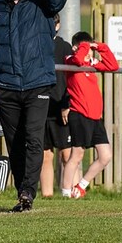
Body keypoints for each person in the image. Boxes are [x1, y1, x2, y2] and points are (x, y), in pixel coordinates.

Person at [0, 0, 68, 212]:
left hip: (37, 84)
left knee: (34, 139)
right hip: (5, 87)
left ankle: (29, 192)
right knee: (15, 143)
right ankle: (22, 194)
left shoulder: (42, 1)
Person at [61, 32, 119, 199]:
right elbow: (78, 59)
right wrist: (83, 48)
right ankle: (66, 193)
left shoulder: (90, 62)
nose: (88, 53)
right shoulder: (70, 60)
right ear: (76, 48)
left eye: (89, 49)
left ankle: (81, 186)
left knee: (105, 155)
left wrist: (98, 46)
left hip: (95, 117)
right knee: (77, 155)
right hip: (79, 115)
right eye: (85, 48)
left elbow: (112, 65)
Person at [40, 14, 73, 198]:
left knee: (67, 155)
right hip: (41, 108)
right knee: (45, 156)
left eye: (53, 24)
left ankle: (69, 192)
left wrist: (67, 103)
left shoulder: (64, 47)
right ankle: (47, 196)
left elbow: (72, 79)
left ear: (58, 25)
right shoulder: (37, 45)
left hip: (60, 109)